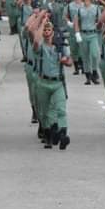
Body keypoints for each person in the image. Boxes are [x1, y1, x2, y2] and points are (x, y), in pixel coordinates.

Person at [29, 11, 72, 150]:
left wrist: (65, 61)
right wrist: (42, 22)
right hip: (43, 82)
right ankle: (48, 135)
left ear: (53, 32)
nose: (47, 31)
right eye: (45, 30)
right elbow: (35, 41)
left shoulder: (61, 47)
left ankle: (63, 134)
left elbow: (70, 62)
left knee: (60, 109)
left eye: (49, 29)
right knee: (44, 112)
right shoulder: (40, 48)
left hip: (57, 83)